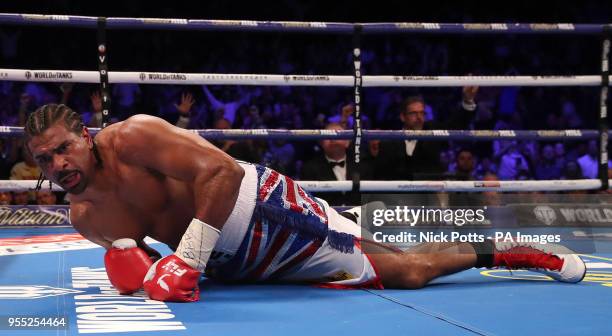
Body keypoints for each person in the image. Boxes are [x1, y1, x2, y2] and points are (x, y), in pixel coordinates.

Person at [25, 104, 586, 303]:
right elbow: (149, 264)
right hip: (231, 263)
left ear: (89, 135)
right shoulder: (86, 217)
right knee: (383, 256)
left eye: (63, 150)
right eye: (45, 161)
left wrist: (189, 258)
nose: (58, 166)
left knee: (405, 272)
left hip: (263, 213)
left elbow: (219, 172)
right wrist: (145, 269)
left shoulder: (135, 136)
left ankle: (510, 253)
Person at [375, 86, 478, 180]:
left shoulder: (432, 131)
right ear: (403, 117)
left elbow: (456, 125)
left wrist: (468, 101)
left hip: (428, 195)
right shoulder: (391, 138)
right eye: (414, 113)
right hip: (399, 195)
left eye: (422, 113)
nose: (419, 117)